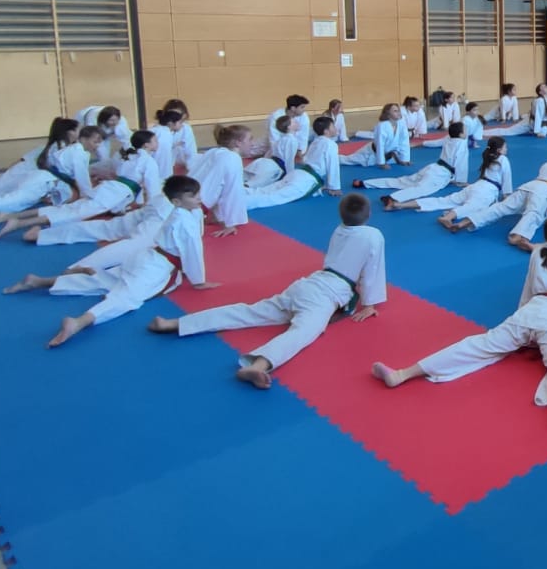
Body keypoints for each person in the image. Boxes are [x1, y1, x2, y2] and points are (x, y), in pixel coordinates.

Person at [371, 212, 547, 427]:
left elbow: (529, 287)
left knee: (476, 345)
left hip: (527, 314)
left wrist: (522, 324)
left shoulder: (538, 251)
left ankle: (402, 373)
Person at [151, 193, 385, 389]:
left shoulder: (340, 229)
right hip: (325, 295)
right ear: (369, 215)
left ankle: (175, 323)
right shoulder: (373, 235)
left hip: (305, 285)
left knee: (247, 312)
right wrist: (370, 303)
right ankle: (258, 365)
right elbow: (373, 269)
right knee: (302, 333)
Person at [3, 175, 215, 347]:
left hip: (146, 257)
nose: (199, 198)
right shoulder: (185, 221)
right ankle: (80, 322)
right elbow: (193, 252)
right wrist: (199, 281)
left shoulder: (182, 213)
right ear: (176, 201)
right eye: (193, 195)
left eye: (198, 193)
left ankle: (40, 281)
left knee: (104, 280)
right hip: (155, 266)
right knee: (127, 298)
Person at [0, 129, 163, 239]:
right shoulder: (148, 161)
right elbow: (152, 188)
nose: (157, 143)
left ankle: (16, 216)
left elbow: (117, 173)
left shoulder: (128, 155)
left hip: (110, 188)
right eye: (155, 140)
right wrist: (150, 207)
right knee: (75, 213)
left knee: (70, 209)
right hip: (116, 192)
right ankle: (19, 223)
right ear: (146, 144)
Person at [0, 119, 100, 229]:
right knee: (2, 197)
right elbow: (82, 180)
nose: (97, 146)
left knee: (0, 196)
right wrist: (90, 196)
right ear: (84, 138)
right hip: (41, 180)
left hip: (40, 178)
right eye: (95, 141)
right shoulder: (78, 153)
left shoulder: (72, 149)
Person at [443, 146, 547, 251]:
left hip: (528, 186)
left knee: (501, 207)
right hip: (543, 191)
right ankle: (516, 236)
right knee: (533, 214)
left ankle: (466, 221)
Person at [244, 116, 343, 210]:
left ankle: (242, 193)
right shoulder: (331, 144)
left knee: (267, 190)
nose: (335, 128)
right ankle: (242, 204)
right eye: (333, 126)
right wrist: (334, 187)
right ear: (326, 131)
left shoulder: (316, 142)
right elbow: (332, 165)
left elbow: (305, 159)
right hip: (306, 179)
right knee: (275, 197)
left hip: (298, 173)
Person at [386, 138, 510, 213]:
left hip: (475, 186)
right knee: (472, 208)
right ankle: (449, 216)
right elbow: (506, 180)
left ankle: (400, 204)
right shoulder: (503, 159)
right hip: (484, 191)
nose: (507, 149)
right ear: (499, 150)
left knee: (441, 201)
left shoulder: (488, 157)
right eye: (505, 147)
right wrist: (506, 197)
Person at [354, 121, 466, 194]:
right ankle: (393, 199)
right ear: (461, 134)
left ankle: (365, 183)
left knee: (401, 181)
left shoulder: (448, 138)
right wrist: (461, 181)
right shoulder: (461, 144)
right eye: (465, 130)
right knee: (420, 190)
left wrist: (419, 144)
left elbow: (435, 143)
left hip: (432, 167)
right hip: (440, 174)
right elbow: (461, 163)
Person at [189, 124, 252, 234]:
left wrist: (215, 216)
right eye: (250, 139)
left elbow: (214, 187)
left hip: (178, 201)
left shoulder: (213, 152)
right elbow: (232, 193)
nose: (252, 143)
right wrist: (230, 224)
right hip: (191, 209)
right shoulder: (233, 158)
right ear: (238, 142)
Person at [243, 114, 304, 189]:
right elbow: (288, 159)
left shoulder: (282, 138)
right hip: (273, 167)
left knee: (243, 178)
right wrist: (289, 176)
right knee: (252, 185)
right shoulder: (292, 140)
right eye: (294, 122)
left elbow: (271, 152)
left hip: (264, 161)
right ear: (289, 127)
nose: (297, 122)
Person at [343, 103, 412, 169]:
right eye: (395, 111)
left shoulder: (401, 124)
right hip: (370, 153)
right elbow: (380, 144)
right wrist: (382, 163)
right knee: (348, 160)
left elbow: (404, 142)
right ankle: (337, 158)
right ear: (388, 114)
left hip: (389, 156)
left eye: (398, 111)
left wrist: (405, 159)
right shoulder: (382, 126)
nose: (398, 113)